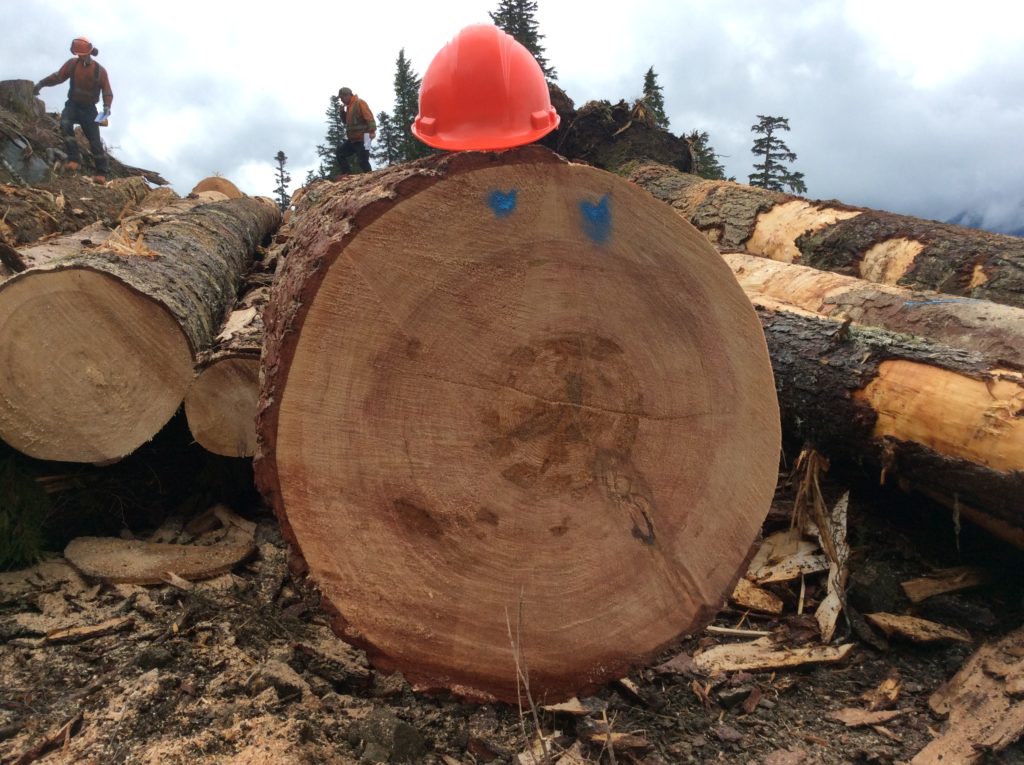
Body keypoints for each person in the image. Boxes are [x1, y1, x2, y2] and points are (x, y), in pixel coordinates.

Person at [34, 37, 113, 183]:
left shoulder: (100, 71)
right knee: (65, 124)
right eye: (78, 54)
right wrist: (41, 84)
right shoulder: (72, 64)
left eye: (82, 54)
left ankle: (101, 172)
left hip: (89, 109)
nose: (80, 57)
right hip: (73, 105)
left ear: (89, 52)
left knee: (94, 140)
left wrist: (106, 107)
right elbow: (57, 77)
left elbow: (107, 92)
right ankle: (74, 159)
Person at [336, 86, 376, 174]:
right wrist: (342, 112)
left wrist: (372, 131)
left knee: (363, 161)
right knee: (340, 153)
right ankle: (347, 175)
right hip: (353, 139)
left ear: (347, 95)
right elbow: (346, 122)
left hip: (365, 137)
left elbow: (369, 117)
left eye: (342, 98)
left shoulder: (360, 103)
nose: (341, 100)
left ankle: (371, 177)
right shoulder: (349, 107)